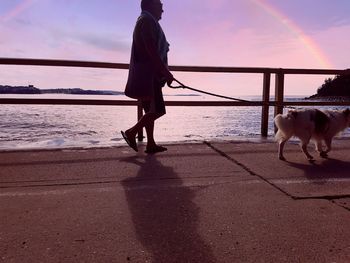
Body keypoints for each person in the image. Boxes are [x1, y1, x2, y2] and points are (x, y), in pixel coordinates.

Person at [121, 0, 173, 153]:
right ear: (150, 6)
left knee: (149, 111)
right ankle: (131, 132)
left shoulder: (144, 20)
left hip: (145, 74)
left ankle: (150, 144)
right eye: (160, 7)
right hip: (149, 76)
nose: (162, 11)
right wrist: (165, 72)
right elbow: (151, 49)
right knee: (158, 110)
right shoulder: (147, 21)